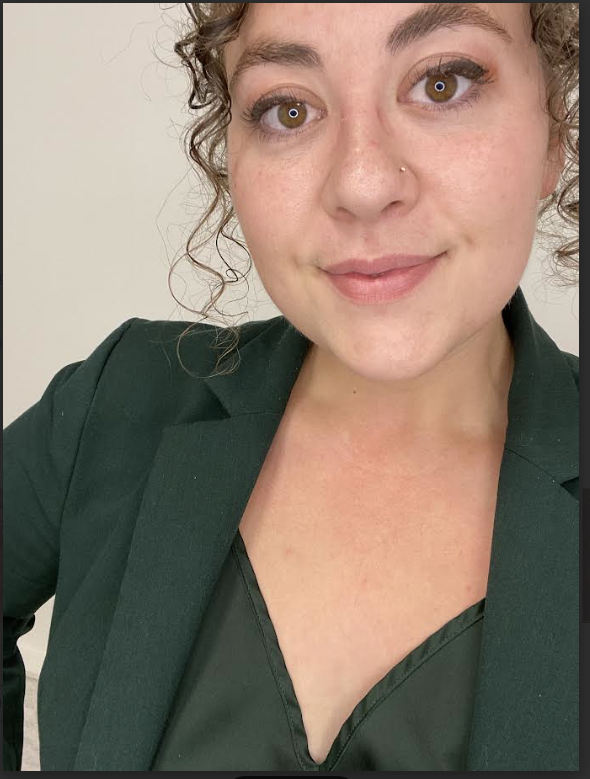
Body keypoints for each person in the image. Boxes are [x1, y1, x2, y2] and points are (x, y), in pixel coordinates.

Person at [3, 3, 579, 772]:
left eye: (443, 83)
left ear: (556, 132)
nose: (364, 184)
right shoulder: (118, 399)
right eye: (289, 109)